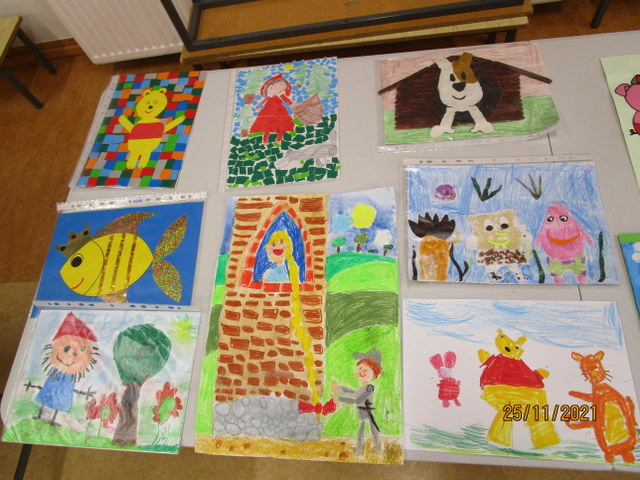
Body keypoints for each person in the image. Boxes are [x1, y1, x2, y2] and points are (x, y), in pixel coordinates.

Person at [332, 349, 382, 456]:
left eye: (365, 370)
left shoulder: (369, 388)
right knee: (362, 432)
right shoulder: (361, 388)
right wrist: (340, 389)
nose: (361, 372)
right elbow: (354, 393)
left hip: (367, 412)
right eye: (360, 368)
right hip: (362, 412)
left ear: (373, 373)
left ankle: (375, 449)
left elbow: (358, 400)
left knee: (372, 431)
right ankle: (360, 450)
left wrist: (341, 399)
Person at [250, 73, 295, 143]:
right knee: (266, 126)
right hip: (268, 113)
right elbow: (261, 104)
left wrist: (290, 110)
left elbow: (289, 103)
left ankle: (279, 139)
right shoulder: (269, 98)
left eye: (280, 85)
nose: (276, 87)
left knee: (281, 126)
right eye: (272, 87)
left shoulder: (282, 97)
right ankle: (265, 140)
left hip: (281, 113)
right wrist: (259, 107)